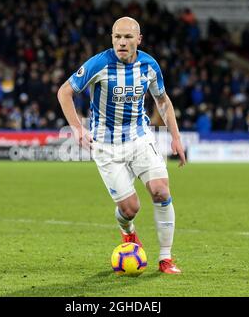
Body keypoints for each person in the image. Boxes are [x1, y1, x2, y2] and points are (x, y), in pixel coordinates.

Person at [57, 17, 186, 274]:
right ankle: (127, 231)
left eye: (127, 37)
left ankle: (165, 258)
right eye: (117, 37)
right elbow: (64, 92)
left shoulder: (149, 65)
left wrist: (175, 136)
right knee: (130, 208)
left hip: (140, 138)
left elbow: (162, 100)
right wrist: (77, 128)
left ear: (139, 39)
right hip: (107, 145)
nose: (122, 42)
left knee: (160, 190)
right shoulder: (99, 64)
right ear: (112, 38)